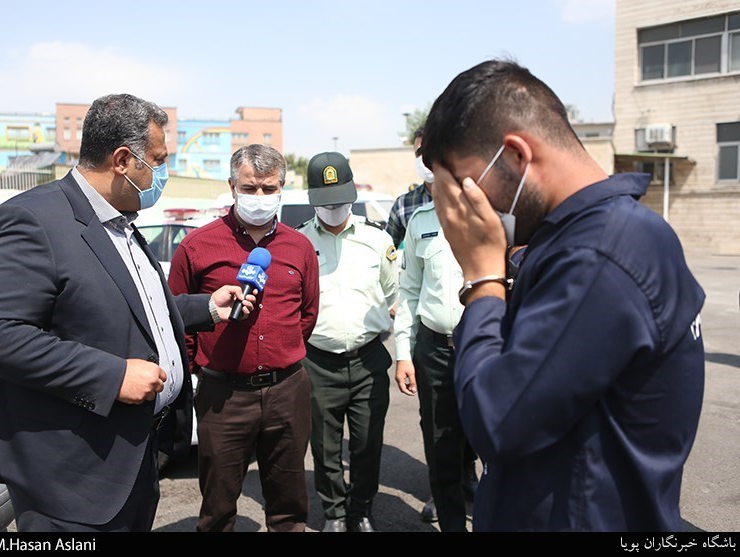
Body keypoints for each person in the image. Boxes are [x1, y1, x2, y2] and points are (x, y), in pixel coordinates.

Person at [422, 59, 706, 531]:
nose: (459, 211)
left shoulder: (600, 253)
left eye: (465, 189)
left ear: (516, 155)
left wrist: (482, 279)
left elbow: (496, 421)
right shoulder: (583, 239)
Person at [0, 93, 255, 532]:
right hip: (71, 480)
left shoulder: (121, 222)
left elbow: (135, 310)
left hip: (132, 458)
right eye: (158, 160)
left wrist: (209, 308)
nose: (162, 172)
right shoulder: (32, 219)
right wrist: (112, 376)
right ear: (122, 160)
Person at [167, 144, 320, 532]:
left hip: (287, 390)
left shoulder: (300, 246)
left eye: (269, 188)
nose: (260, 197)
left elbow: (307, 315)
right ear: (232, 185)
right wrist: (198, 370)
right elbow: (175, 318)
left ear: (282, 188)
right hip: (223, 395)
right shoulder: (196, 246)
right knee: (218, 506)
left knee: (289, 505)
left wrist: (280, 352)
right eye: (250, 188)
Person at [295, 152, 398, 533]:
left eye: (340, 201)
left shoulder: (377, 240)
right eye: (326, 203)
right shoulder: (298, 242)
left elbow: (392, 293)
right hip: (318, 361)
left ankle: (362, 509)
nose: (334, 209)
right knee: (325, 445)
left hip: (369, 359)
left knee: (368, 442)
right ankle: (335, 513)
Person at [393, 199, 478, 532]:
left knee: (493, 441)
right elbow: (410, 290)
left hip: (484, 348)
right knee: (440, 443)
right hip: (435, 350)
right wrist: (403, 352)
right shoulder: (420, 221)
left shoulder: (493, 212)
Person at [385, 126, 433, 250]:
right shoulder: (403, 204)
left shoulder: (464, 197)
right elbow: (386, 251)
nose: (424, 157)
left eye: (430, 149)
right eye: (419, 153)